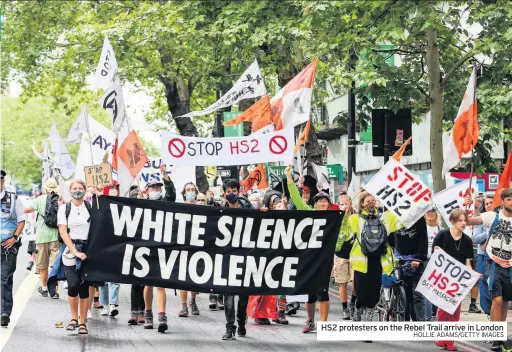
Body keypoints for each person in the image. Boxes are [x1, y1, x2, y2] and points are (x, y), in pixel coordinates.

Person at [345, 191, 399, 342]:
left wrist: (423, 201)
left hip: (378, 262)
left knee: (373, 296)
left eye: (373, 201)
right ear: (361, 203)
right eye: (368, 201)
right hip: (362, 263)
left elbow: (404, 218)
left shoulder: (385, 218)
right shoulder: (355, 219)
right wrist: (345, 216)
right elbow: (345, 235)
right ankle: (357, 310)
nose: (371, 203)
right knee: (361, 294)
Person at [286, 165, 333, 333]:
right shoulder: (308, 212)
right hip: (310, 258)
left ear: (329, 205)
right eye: (319, 201)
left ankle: (324, 324)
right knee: (310, 292)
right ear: (315, 204)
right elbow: (297, 200)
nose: (322, 203)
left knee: (324, 291)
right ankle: (311, 320)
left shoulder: (335, 218)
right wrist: (290, 179)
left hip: (325, 259)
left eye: (325, 201)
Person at [467, 188, 512, 352]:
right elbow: (468, 221)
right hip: (493, 264)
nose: (511, 203)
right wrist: (466, 207)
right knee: (497, 300)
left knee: (505, 302)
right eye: (508, 200)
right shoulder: (492, 216)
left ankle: (500, 336)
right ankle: (495, 335)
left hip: (510, 265)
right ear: (503, 201)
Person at [433, 209, 475, 352]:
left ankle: (450, 341)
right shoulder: (441, 235)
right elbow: (436, 256)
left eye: (465, 220)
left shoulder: (467, 240)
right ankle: (441, 337)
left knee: (454, 311)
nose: (464, 223)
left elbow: (468, 262)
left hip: (458, 280)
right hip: (442, 278)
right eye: (460, 221)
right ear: (452, 222)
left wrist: (473, 274)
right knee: (443, 309)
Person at [56, 180, 92, 335]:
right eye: (74, 188)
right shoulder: (64, 209)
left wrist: (98, 194)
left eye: (80, 188)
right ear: (70, 191)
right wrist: (74, 251)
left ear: (85, 190)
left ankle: (83, 322)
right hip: (70, 252)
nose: (77, 191)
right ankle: (73, 318)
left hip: (88, 252)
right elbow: (63, 232)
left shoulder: (90, 207)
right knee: (73, 285)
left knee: (84, 287)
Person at [143, 164, 176, 333]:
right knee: (148, 283)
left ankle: (162, 316)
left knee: (161, 284)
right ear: (146, 190)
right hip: (146, 248)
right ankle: (148, 313)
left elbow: (171, 193)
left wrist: (164, 174)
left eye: (158, 187)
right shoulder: (139, 204)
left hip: (162, 247)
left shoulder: (165, 202)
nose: (156, 189)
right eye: (153, 187)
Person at [221, 178, 252, 341]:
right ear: (224, 193)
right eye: (228, 191)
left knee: (243, 296)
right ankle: (229, 327)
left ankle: (241, 322)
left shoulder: (248, 207)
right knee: (229, 294)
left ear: (238, 192)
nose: (231, 194)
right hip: (227, 258)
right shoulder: (218, 210)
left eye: (234, 190)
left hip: (246, 257)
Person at [24, 178, 60, 298]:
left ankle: (44, 288)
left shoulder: (39, 199)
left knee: (43, 265)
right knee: (55, 265)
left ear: (45, 188)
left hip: (41, 236)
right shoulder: (59, 200)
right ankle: (54, 291)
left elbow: (26, 210)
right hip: (56, 236)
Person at [389, 216, 428, 322]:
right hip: (400, 257)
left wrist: (420, 258)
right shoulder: (394, 216)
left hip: (416, 258)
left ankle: (419, 323)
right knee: (403, 294)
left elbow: (423, 239)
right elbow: (390, 239)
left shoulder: (419, 219)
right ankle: (404, 320)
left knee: (417, 295)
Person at [0, 170, 25, 327]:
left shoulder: (14, 199)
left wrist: (14, 237)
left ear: (3, 181)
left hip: (7, 247)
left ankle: (4, 313)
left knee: (5, 280)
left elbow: (21, 220)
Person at [177, 182, 200, 317]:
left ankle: (193, 301)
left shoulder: (202, 209)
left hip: (197, 247)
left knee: (194, 277)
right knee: (182, 278)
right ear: (184, 193)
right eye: (188, 190)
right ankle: (184, 306)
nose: (191, 192)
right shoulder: (180, 208)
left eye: (193, 189)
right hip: (183, 246)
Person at [98, 183, 121, 317]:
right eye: (111, 187)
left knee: (114, 277)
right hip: (101, 246)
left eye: (116, 188)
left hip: (115, 245)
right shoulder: (100, 205)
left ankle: (113, 304)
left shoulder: (121, 205)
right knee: (102, 278)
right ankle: (105, 305)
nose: (114, 190)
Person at [333, 194, 356, 320]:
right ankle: (345, 308)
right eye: (342, 204)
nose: (344, 206)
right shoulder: (337, 217)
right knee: (343, 283)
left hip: (354, 255)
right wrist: (343, 214)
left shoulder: (355, 217)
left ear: (350, 204)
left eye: (346, 203)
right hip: (340, 255)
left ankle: (353, 303)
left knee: (356, 282)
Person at [472, 194, 495, 318]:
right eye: (487, 204)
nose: (489, 205)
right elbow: (475, 238)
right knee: (484, 285)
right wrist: (488, 233)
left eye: (491, 202)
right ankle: (489, 312)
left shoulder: (502, 218)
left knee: (496, 285)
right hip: (483, 256)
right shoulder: (480, 220)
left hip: (498, 257)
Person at [128, 187, 145, 325]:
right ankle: (134, 311)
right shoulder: (129, 213)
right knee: (135, 282)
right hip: (133, 249)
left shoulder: (148, 211)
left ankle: (142, 311)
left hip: (146, 249)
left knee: (144, 283)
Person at [424, 208, 442, 320]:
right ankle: (427, 316)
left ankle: (434, 311)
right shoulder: (422, 229)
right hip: (425, 261)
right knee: (427, 289)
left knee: (436, 289)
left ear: (436, 214)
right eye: (428, 211)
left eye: (432, 211)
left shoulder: (441, 229)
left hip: (437, 262)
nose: (430, 213)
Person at [468, 196, 483, 314]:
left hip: (476, 249)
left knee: (476, 276)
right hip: (464, 247)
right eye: (477, 200)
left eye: (480, 201)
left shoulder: (483, 215)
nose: (478, 202)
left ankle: (473, 303)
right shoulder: (466, 211)